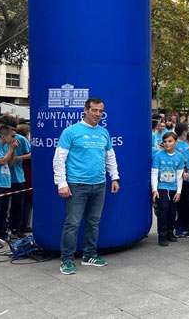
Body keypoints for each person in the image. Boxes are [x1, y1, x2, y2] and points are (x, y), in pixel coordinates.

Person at [53, 98, 120, 275]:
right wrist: (62, 183)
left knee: (94, 222)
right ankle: (66, 260)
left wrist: (115, 177)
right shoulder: (71, 132)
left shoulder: (104, 132)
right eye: (94, 110)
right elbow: (59, 159)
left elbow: (110, 157)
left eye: (100, 111)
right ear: (85, 110)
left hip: (99, 185)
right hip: (77, 185)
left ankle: (89, 255)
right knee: (72, 224)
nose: (97, 114)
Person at [151, 131, 184, 246]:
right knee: (163, 212)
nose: (167, 144)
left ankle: (170, 232)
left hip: (174, 189)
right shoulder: (158, 156)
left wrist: (179, 192)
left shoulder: (180, 157)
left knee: (172, 212)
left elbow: (180, 176)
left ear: (175, 142)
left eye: (170, 141)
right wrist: (154, 190)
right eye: (165, 141)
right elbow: (154, 173)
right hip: (162, 188)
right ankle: (162, 236)